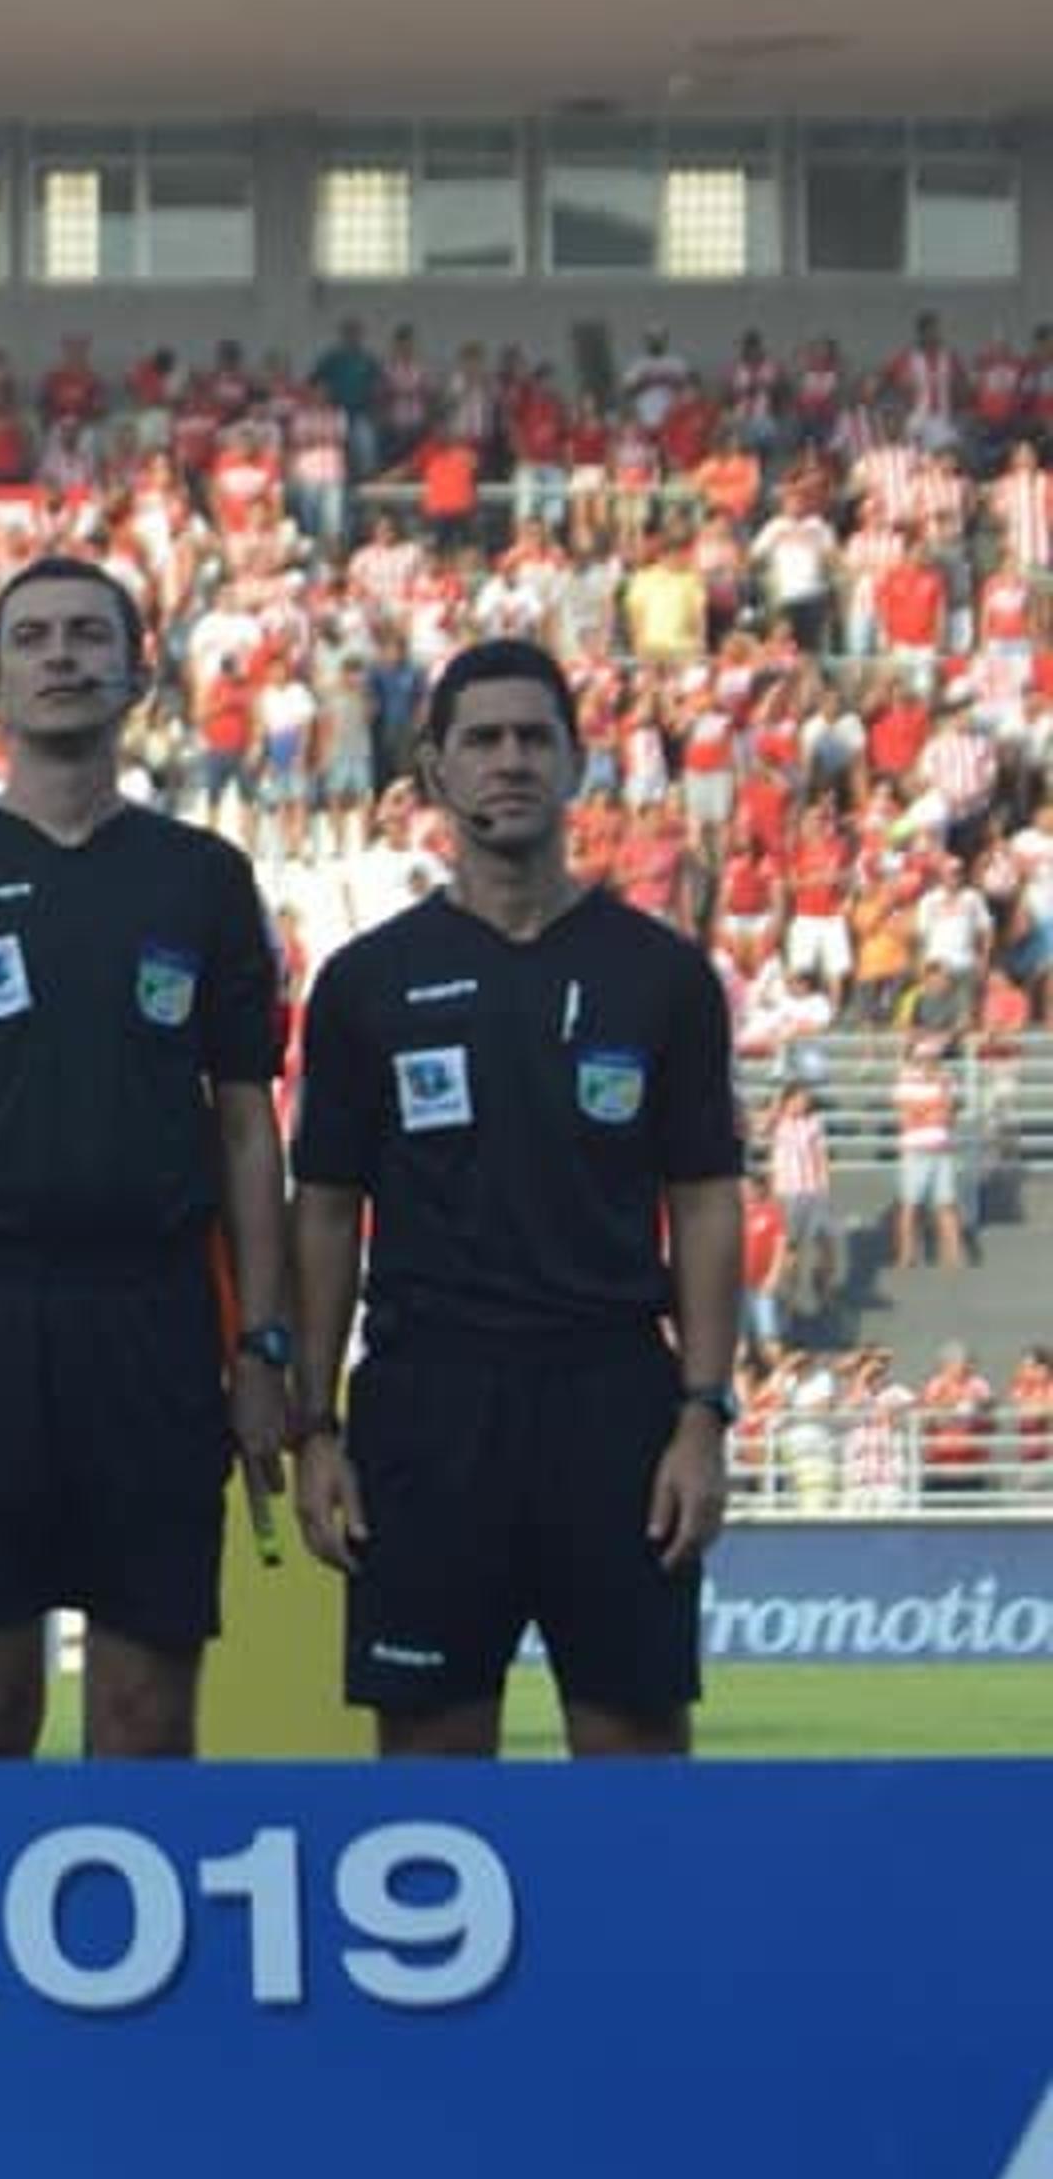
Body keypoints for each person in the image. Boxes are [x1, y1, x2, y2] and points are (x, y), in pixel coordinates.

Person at [0, 555, 293, 1759]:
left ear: (138, 673)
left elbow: (248, 1125)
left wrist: (263, 1347)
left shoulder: (205, 880)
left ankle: (141, 1951)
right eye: (33, 636)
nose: (63, 654)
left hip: (155, 1318)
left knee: (146, 1715)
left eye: (91, 633)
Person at [290, 637, 744, 1759]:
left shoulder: (663, 975)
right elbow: (326, 1213)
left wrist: (704, 1413)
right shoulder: (365, 981)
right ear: (436, 770)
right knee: (432, 1771)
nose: (510, 760)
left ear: (579, 763)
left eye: (535, 737)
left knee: (635, 1750)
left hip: (616, 1403)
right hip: (428, 1403)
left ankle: (636, 1947)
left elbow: (704, 1200)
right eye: (482, 739)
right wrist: (315, 1424)